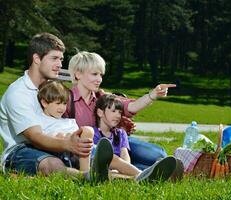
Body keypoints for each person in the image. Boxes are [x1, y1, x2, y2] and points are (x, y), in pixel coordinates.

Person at [0, 33, 115, 183]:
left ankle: (136, 176)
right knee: (52, 164)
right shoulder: (18, 93)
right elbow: (35, 137)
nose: (60, 64)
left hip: (54, 142)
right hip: (21, 150)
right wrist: (67, 144)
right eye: (54, 58)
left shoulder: (53, 88)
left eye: (61, 59)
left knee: (98, 155)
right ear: (36, 59)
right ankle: (86, 177)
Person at [36, 80, 178, 182]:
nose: (62, 108)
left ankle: (141, 175)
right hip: (72, 156)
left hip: (89, 151)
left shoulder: (69, 121)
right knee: (103, 170)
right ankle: (89, 175)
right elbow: (43, 141)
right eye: (57, 104)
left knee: (114, 161)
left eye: (63, 104)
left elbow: (127, 106)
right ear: (44, 103)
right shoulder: (42, 122)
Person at [64, 51, 175, 170]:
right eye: (94, 74)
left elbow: (130, 106)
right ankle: (145, 171)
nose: (99, 79)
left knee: (158, 154)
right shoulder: (65, 100)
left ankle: (143, 170)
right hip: (89, 150)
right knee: (141, 163)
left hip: (114, 140)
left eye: (101, 75)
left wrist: (152, 95)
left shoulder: (102, 96)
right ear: (78, 74)